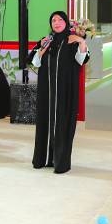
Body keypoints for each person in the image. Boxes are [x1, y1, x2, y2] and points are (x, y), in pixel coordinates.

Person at [30, 11, 89, 173]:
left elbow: (81, 60)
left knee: (63, 123)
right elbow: (34, 62)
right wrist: (42, 48)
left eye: (60, 20)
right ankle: (42, 159)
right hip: (47, 91)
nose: (56, 23)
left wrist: (81, 41)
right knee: (45, 122)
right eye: (53, 20)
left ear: (66, 22)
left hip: (65, 91)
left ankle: (60, 161)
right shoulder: (46, 40)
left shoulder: (72, 40)